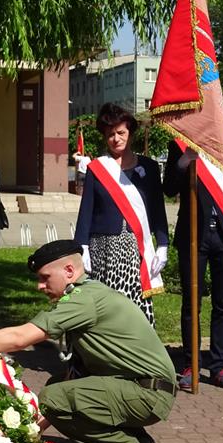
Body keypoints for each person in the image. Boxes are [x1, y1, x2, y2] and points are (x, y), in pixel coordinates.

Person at [0, 239, 177, 443]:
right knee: (59, 386)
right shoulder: (90, 292)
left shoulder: (81, 300)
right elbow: (74, 375)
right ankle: (139, 442)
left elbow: (19, 338)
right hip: (146, 388)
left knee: (54, 397)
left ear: (69, 271)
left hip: (148, 394)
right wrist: (33, 430)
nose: (40, 286)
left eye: (45, 277)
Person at [163, 138, 223, 391]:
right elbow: (168, 188)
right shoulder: (181, 145)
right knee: (192, 303)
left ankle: (220, 366)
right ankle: (191, 364)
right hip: (193, 235)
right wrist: (184, 161)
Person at [75, 103, 168, 326]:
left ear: (131, 133)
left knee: (133, 306)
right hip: (102, 247)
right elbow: (86, 210)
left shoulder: (149, 168)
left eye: (121, 133)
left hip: (135, 247)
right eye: (110, 134)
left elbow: (157, 207)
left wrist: (163, 243)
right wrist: (82, 246)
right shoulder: (98, 168)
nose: (116, 139)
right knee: (106, 306)